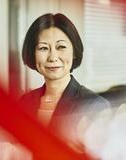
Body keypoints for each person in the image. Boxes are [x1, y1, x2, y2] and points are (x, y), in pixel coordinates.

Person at [19, 13, 110, 152]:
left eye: (61, 47)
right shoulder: (24, 102)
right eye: (43, 48)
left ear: (74, 52)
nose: (52, 57)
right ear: (32, 53)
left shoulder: (94, 106)